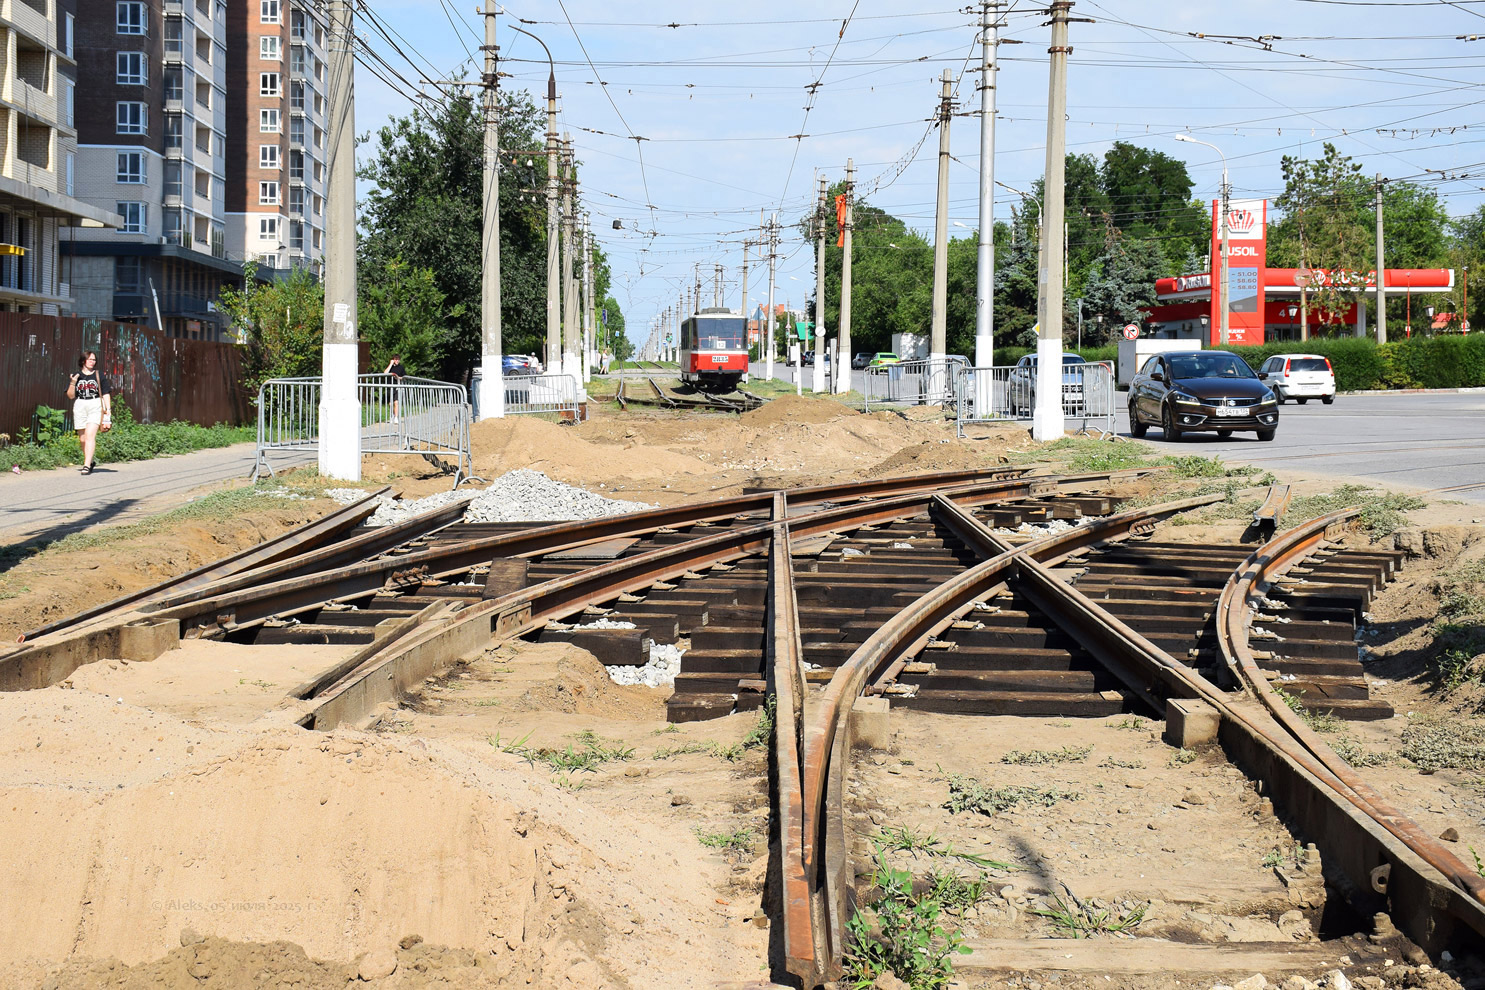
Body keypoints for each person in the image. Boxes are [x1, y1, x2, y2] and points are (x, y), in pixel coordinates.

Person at [67, 350, 111, 475]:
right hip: (80, 404)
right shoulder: (76, 375)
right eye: (90, 359)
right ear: (83, 361)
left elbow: (106, 393)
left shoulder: (98, 374)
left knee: (89, 436)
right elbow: (70, 396)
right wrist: (73, 382)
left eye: (94, 360)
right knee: (82, 439)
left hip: (95, 404)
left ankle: (86, 465)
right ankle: (90, 461)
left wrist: (108, 411)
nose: (92, 362)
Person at [384, 354, 406, 424]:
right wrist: (390, 364)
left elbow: (404, 377)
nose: (397, 361)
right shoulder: (390, 367)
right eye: (396, 359)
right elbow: (385, 373)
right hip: (389, 386)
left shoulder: (401, 367)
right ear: (393, 360)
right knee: (390, 404)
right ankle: (393, 415)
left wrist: (398, 378)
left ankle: (396, 417)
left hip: (397, 386)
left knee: (396, 402)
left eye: (398, 359)